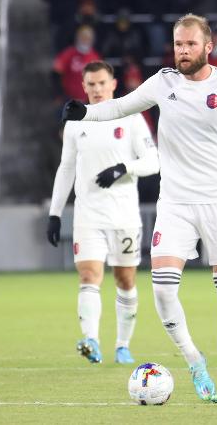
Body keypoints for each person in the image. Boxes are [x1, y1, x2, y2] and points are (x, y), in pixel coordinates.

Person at [61, 14, 217, 403]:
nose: (182, 51)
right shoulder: (164, 82)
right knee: (163, 291)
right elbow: (119, 107)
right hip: (175, 205)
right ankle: (193, 359)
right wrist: (84, 112)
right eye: (177, 44)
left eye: (189, 45)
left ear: (208, 46)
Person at [47, 60, 159, 365]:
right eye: (91, 85)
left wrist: (124, 168)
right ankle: (91, 340)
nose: (96, 90)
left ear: (113, 85)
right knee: (89, 275)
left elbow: (153, 160)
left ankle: (123, 345)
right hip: (88, 215)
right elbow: (66, 168)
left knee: (125, 279)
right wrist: (55, 213)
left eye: (101, 84)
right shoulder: (76, 123)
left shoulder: (132, 117)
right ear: (83, 87)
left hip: (123, 216)